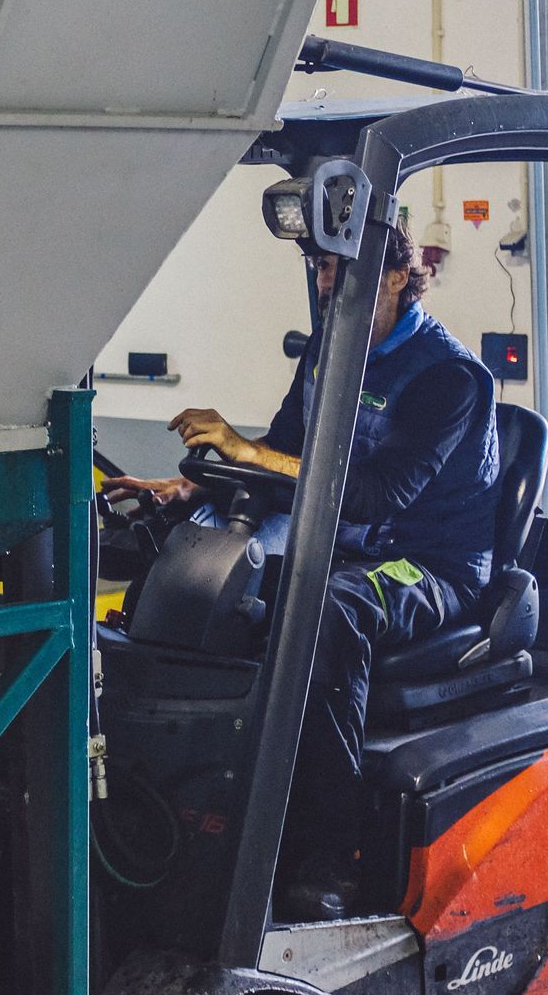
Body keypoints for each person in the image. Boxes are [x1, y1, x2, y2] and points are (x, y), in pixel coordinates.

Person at [118, 222, 500, 918]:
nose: (328, 283)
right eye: (321, 267)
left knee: (325, 609)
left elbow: (379, 494)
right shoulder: (330, 349)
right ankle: (189, 790)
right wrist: (186, 490)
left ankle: (330, 851)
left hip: (426, 562)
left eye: (342, 267)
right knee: (198, 575)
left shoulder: (449, 378)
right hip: (345, 541)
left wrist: (248, 451)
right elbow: (287, 446)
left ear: (396, 277)